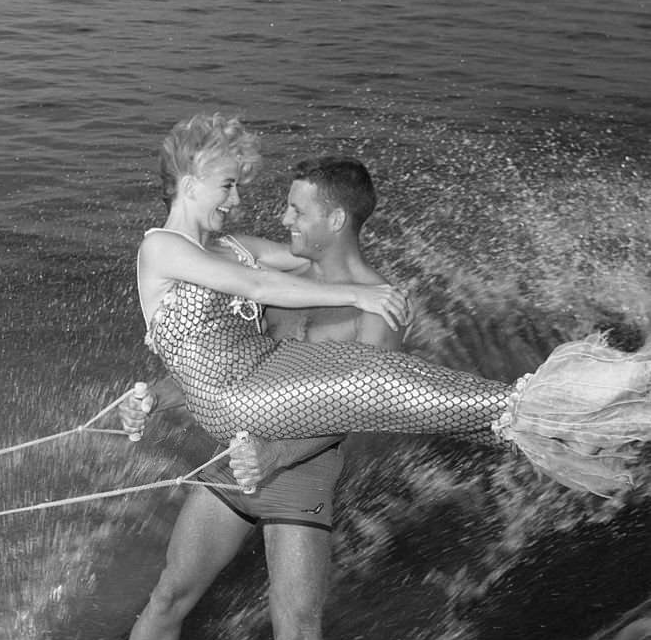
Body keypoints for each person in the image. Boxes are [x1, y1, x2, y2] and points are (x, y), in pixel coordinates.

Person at [49, 156, 407, 640]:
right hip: (235, 462)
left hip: (298, 476)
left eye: (298, 210)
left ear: (335, 218)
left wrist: (273, 460)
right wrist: (155, 393)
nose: (283, 218)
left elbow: (352, 409)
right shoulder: (284, 282)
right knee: (168, 597)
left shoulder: (380, 304)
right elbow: (228, 359)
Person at [129, 113, 651, 498]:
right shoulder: (162, 248)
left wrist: (361, 266)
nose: (237, 200)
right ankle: (582, 399)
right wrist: (359, 295)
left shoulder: (233, 246)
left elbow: (309, 254)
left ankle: (571, 421)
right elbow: (262, 288)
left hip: (272, 369)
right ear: (191, 184)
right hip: (233, 399)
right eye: (228, 186)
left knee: (403, 384)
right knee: (373, 382)